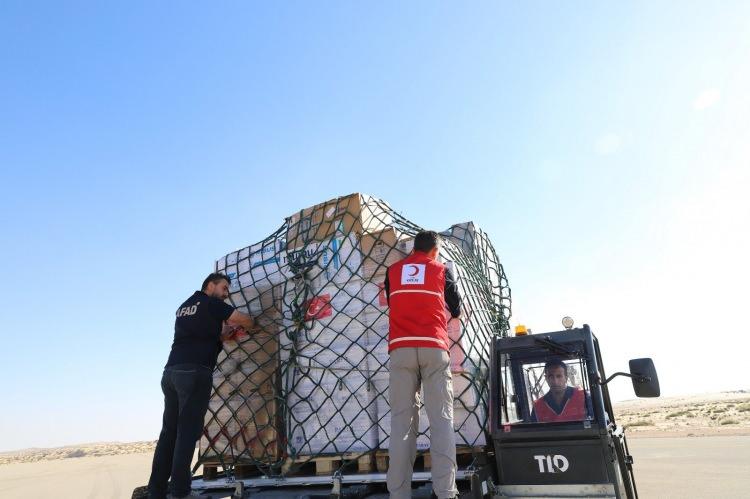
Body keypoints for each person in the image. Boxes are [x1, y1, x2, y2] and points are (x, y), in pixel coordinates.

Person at [147, 273, 256, 499]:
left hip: (171, 372)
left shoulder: (184, 307)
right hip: (194, 373)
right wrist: (253, 322)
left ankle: (156, 491)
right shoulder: (211, 303)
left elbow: (199, 335)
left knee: (169, 433)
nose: (226, 294)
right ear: (210, 285)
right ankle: (180, 492)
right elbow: (244, 320)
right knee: (187, 433)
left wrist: (220, 336)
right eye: (224, 288)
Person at [383, 231, 462, 499]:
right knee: (441, 421)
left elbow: (393, 300)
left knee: (401, 425)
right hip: (433, 348)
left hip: (401, 349)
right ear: (435, 251)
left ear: (414, 248)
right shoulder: (441, 270)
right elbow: (456, 307)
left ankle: (398, 494)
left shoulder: (393, 271)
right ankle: (446, 492)